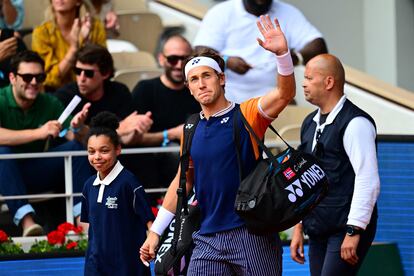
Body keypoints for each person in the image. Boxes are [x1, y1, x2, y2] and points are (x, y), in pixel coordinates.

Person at [140, 15, 295, 275]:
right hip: (206, 237)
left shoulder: (246, 113)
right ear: (188, 88)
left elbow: (284, 94)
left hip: (252, 234)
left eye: (207, 76)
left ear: (221, 79)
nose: (201, 84)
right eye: (195, 79)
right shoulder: (190, 128)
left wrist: (282, 55)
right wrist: (155, 232)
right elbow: (182, 182)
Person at [289, 54, 380, 276]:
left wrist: (354, 229)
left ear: (329, 82)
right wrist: (299, 227)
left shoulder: (356, 123)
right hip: (318, 225)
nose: (303, 83)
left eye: (309, 78)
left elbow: (368, 179)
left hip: (344, 228)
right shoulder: (309, 122)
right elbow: (306, 178)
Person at [0, 50, 93, 236]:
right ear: (12, 78)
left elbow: (72, 137)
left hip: (36, 172)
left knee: (75, 149)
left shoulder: (49, 102)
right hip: (5, 173)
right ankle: (28, 223)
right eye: (27, 77)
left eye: (39, 77)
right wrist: (39, 133)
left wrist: (79, 128)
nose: (34, 82)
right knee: (3, 151)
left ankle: (83, 222)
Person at [194, 0, 327, 103]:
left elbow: (318, 44)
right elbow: (200, 52)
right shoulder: (221, 12)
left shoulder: (288, 12)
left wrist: (295, 58)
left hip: (271, 98)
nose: (261, 2)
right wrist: (227, 60)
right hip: (228, 98)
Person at [81, 111, 154, 276]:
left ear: (118, 149)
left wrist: (150, 248)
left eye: (104, 150)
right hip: (95, 267)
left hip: (128, 267)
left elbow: (149, 222)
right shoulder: (88, 185)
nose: (97, 157)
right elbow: (90, 226)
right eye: (91, 152)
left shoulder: (129, 183)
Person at [130, 34, 200, 194]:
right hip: (151, 162)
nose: (178, 65)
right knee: (175, 152)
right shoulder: (145, 89)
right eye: (173, 59)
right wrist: (170, 134)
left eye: (184, 59)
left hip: (193, 156)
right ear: (161, 59)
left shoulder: (197, 89)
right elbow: (132, 139)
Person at [54, 43, 153, 146]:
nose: (81, 79)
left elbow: (124, 140)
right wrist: (119, 129)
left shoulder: (119, 91)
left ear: (105, 73)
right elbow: (70, 138)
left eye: (89, 73)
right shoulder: (64, 96)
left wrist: (136, 130)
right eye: (78, 71)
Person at [32, 0, 106, 91]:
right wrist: (74, 48)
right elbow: (48, 80)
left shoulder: (95, 27)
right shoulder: (42, 33)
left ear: (78, 1)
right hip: (55, 93)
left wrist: (86, 43)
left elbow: (103, 69)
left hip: (91, 91)